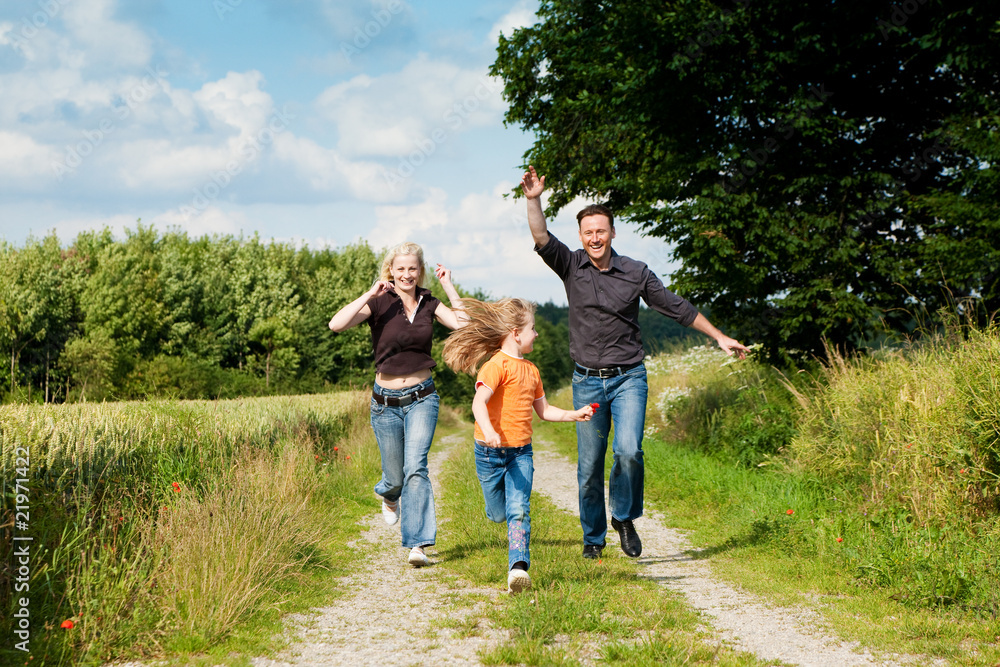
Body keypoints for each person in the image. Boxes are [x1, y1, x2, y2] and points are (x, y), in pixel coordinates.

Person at [521, 166, 749, 560]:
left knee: (629, 451)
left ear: (612, 233)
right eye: (588, 231)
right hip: (587, 382)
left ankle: (623, 517)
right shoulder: (570, 265)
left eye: (601, 230)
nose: (595, 237)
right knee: (590, 466)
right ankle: (593, 538)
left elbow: (676, 308)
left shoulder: (636, 272)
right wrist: (533, 199)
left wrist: (719, 337)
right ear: (580, 236)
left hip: (629, 377)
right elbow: (540, 236)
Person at [329, 242, 468, 568]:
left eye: (412, 268)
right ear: (391, 270)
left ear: (419, 271)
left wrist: (448, 285)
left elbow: (464, 325)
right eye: (400, 268)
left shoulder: (430, 302)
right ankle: (389, 494)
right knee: (395, 478)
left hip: (422, 398)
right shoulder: (379, 304)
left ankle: (418, 544)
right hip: (385, 404)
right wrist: (369, 293)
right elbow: (336, 325)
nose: (406, 274)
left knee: (416, 467)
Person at [443, 297, 594, 593]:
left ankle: (518, 568)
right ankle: (499, 522)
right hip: (488, 452)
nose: (536, 334)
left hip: (520, 453)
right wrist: (488, 430)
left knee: (518, 509)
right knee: (498, 513)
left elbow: (544, 411)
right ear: (515, 333)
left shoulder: (532, 371)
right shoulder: (495, 366)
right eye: (532, 329)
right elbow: (479, 403)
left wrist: (574, 415)